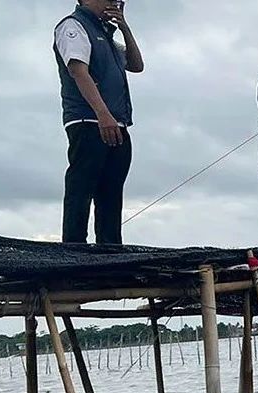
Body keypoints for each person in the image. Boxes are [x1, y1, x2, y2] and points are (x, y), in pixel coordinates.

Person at [54, 0, 144, 244]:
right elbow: (78, 70)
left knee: (111, 194)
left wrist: (124, 27)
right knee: (81, 190)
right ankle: (74, 250)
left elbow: (136, 65)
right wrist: (103, 114)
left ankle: (110, 249)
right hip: (88, 121)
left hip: (118, 124)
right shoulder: (73, 26)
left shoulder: (108, 37)